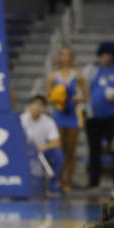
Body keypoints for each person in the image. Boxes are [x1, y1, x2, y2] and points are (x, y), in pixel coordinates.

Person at [47, 45, 88, 192]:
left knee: (71, 150)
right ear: (59, 57)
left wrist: (78, 98)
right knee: (60, 149)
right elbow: (48, 98)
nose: (65, 57)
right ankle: (59, 179)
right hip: (59, 115)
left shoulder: (78, 76)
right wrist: (58, 98)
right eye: (62, 54)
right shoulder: (53, 76)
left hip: (72, 116)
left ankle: (68, 181)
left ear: (72, 57)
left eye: (68, 55)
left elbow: (86, 96)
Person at [86, 42, 114, 188]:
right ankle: (93, 182)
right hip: (94, 117)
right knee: (94, 150)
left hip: (113, 116)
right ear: (100, 56)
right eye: (103, 54)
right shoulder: (91, 70)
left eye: (109, 55)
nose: (106, 57)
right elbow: (83, 89)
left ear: (113, 56)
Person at [20, 94, 63, 196]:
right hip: (24, 151)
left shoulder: (48, 121)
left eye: (41, 105)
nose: (37, 107)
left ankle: (53, 185)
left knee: (57, 154)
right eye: (35, 104)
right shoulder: (21, 119)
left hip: (41, 151)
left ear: (44, 109)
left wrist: (44, 147)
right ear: (29, 106)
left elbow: (56, 142)